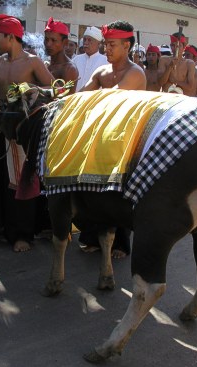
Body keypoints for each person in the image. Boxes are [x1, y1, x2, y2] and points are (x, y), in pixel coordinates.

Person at [0, 14, 55, 252]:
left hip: (24, 130)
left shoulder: (33, 62)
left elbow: (55, 89)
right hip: (0, 125)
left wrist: (32, 90)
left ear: (11, 37)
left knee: (21, 181)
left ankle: (22, 233)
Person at [78, 20, 145, 259]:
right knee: (94, 190)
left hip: (126, 143)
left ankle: (120, 244)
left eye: (112, 45)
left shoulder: (135, 73)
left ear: (126, 46)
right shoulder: (100, 71)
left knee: (119, 195)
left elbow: (109, 100)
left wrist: (87, 100)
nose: (107, 49)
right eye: (106, 44)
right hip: (98, 140)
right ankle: (92, 238)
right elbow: (81, 97)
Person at [43, 17, 78, 94]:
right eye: (46, 39)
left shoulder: (69, 69)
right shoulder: (46, 65)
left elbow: (62, 98)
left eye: (53, 40)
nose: (48, 44)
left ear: (65, 42)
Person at [72, 26, 107, 91]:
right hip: (75, 99)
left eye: (89, 40)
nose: (86, 42)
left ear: (98, 44)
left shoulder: (106, 62)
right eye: (85, 39)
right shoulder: (76, 60)